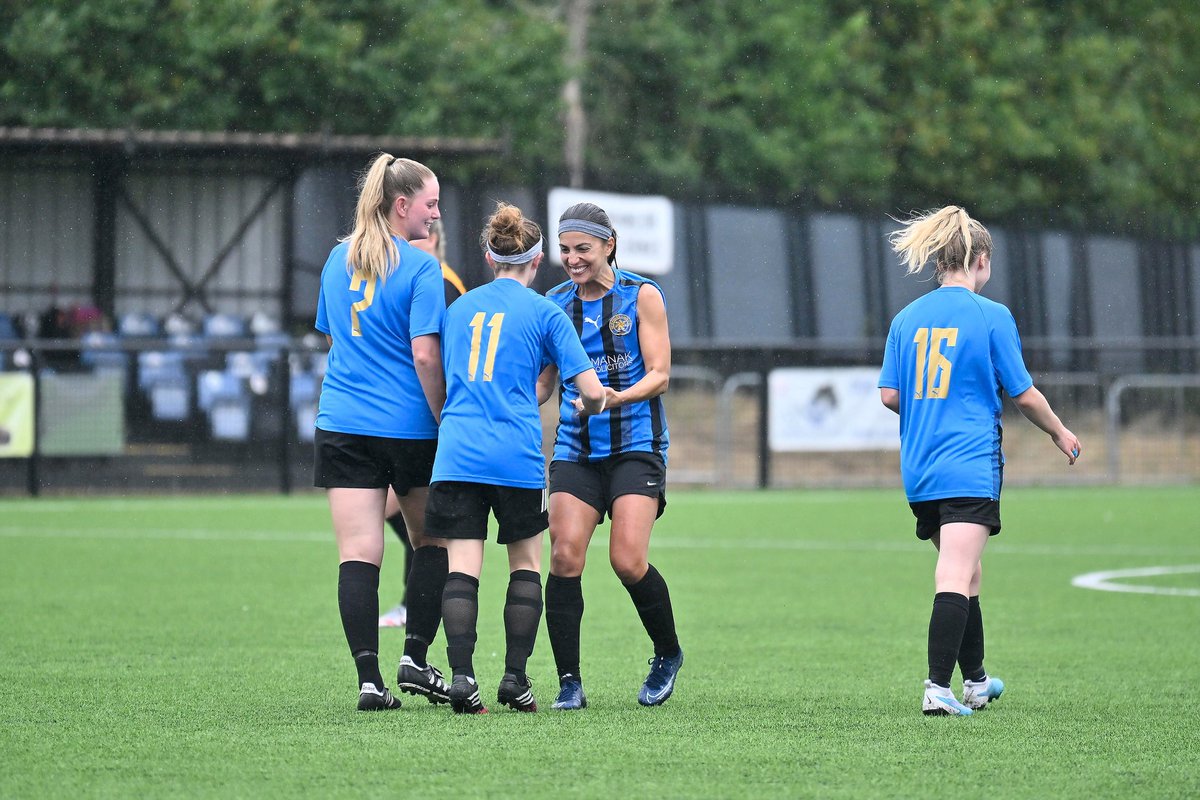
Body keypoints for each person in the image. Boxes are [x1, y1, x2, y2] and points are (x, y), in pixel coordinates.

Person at [878, 205, 1081, 716]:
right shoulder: (991, 316)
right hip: (968, 464)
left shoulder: (907, 318)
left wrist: (932, 404)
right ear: (980, 260)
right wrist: (1060, 432)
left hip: (921, 469)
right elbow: (1025, 394)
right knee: (955, 573)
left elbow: (888, 395)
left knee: (967, 575)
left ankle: (976, 681)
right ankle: (936, 689)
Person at [426, 202, 605, 714]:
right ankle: (515, 680)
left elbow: (440, 377)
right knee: (524, 564)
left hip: (457, 452)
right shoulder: (547, 312)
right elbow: (589, 390)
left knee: (463, 566)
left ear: (488, 257)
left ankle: (461, 678)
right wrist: (590, 403)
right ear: (539, 259)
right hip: (516, 456)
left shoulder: (457, 308)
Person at [313, 152, 453, 712]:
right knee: (432, 544)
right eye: (430, 203)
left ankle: (370, 681)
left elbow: (332, 339)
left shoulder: (335, 258)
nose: (435, 215)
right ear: (402, 205)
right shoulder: (422, 268)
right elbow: (425, 354)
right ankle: (414, 658)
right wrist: (443, 415)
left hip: (341, 424)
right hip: (410, 428)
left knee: (358, 552)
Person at [536, 202, 683, 710]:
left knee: (626, 559)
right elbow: (543, 384)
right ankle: (569, 682)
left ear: (608, 245)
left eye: (583, 249)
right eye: (565, 249)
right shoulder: (553, 304)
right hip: (577, 449)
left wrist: (616, 398)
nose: (572, 259)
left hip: (635, 447)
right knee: (564, 554)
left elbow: (660, 373)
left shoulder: (641, 296)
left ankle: (667, 653)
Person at [378, 219, 470, 629]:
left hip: (433, 415)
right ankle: (417, 598)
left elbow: (435, 353)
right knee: (411, 518)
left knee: (422, 522)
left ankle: (423, 601)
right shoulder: (422, 278)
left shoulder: (442, 281)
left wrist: (443, 410)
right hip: (412, 413)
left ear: (431, 240)